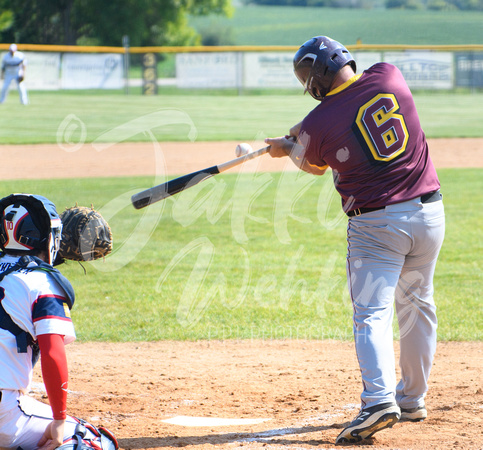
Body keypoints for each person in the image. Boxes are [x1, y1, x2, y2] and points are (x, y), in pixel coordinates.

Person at [265, 36, 445, 444]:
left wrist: (286, 147)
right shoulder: (389, 75)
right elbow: (347, 113)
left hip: (376, 227)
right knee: (418, 306)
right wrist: (304, 130)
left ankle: (379, 401)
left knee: (372, 314)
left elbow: (310, 164)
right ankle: (413, 399)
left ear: (315, 80)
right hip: (430, 214)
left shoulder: (317, 123)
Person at [0, 193, 117, 450]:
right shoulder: (42, 283)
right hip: (4, 418)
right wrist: (59, 419)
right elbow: (53, 353)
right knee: (89, 440)